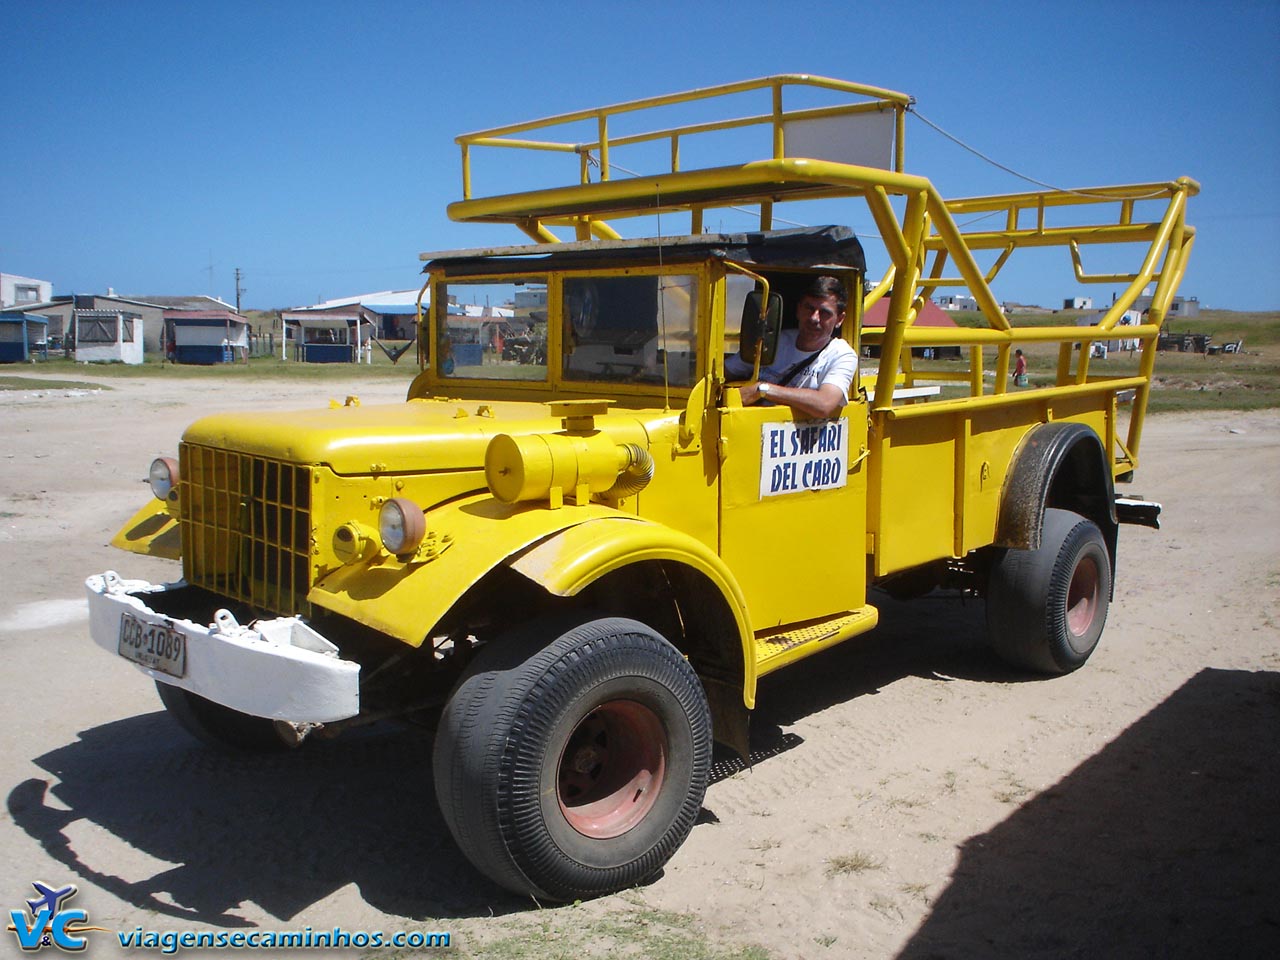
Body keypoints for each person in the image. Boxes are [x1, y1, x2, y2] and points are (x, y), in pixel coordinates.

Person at [727, 276, 858, 420]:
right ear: (798, 310)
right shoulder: (777, 341)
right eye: (809, 308)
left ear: (839, 319)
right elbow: (727, 370)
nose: (814, 318)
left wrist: (763, 390)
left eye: (824, 313)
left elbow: (824, 404)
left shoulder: (841, 355)